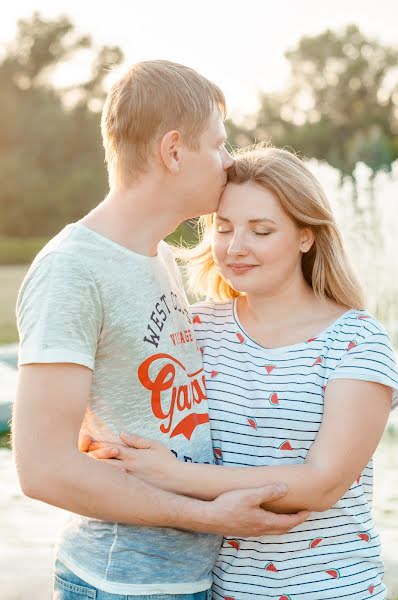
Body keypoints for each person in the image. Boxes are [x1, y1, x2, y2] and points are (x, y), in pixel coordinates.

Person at [13, 64, 307, 600]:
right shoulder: (72, 270)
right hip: (119, 584)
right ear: (173, 151)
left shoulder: (160, 257)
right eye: (218, 144)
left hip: (188, 580)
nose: (229, 161)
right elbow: (43, 469)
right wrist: (207, 515)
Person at [87, 147, 398, 599]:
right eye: (225, 228)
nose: (235, 248)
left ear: (306, 236)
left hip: (332, 590)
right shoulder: (192, 328)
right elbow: (109, 399)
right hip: (216, 591)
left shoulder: (357, 340)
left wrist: (175, 476)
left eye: (262, 230)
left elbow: (322, 484)